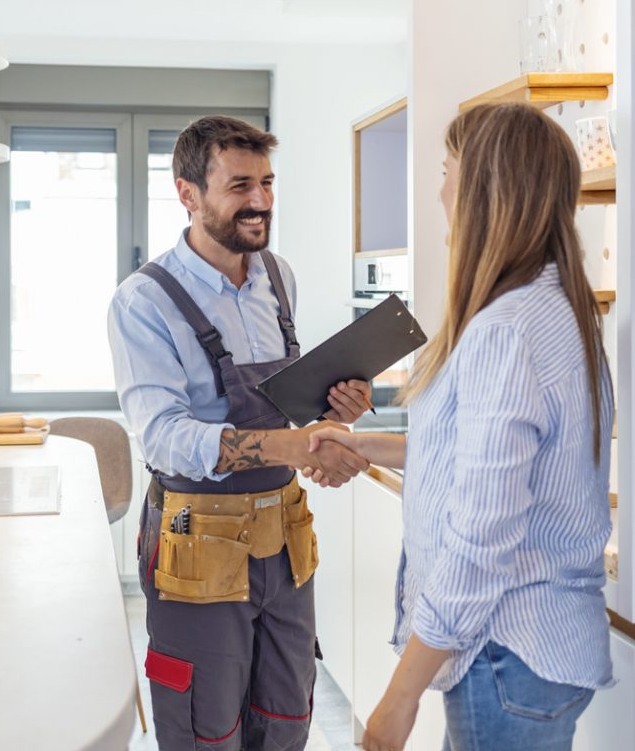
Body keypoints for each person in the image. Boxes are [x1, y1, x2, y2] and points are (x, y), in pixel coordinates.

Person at [310, 102, 614, 751]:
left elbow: (481, 537)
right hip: (540, 655)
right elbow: (473, 462)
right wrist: (362, 444)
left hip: (504, 653)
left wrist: (399, 696)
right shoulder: (556, 308)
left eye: (448, 170)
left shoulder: (505, 330)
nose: (440, 190)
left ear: (485, 190)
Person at [108, 115, 373, 750]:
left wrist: (336, 410)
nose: (259, 201)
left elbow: (284, 405)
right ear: (188, 194)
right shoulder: (143, 302)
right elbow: (164, 437)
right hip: (198, 546)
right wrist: (290, 443)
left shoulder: (277, 277)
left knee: (285, 718)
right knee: (206, 728)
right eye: (239, 186)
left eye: (267, 183)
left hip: (285, 541)